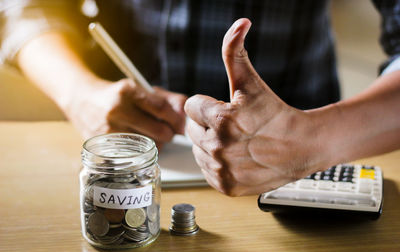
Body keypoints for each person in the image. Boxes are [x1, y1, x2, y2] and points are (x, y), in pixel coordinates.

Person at [1, 1, 399, 196]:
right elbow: (27, 6)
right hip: (122, 156)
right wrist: (79, 93)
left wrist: (316, 140)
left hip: (302, 167)